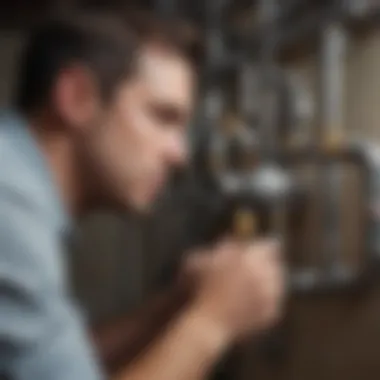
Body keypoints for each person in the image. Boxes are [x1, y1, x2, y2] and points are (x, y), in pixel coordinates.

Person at [0, 9, 285, 380]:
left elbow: (57, 364)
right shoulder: (10, 207)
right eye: (162, 117)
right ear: (77, 97)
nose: (180, 154)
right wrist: (214, 320)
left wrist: (173, 308)